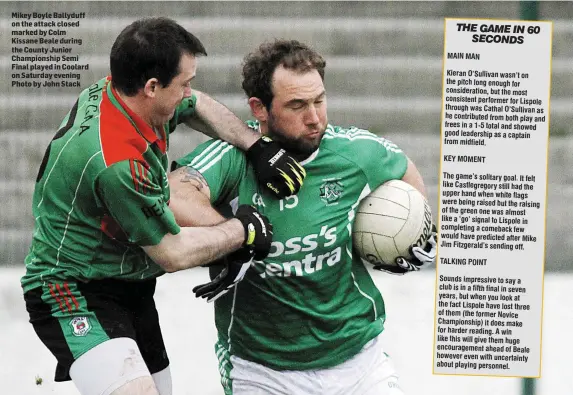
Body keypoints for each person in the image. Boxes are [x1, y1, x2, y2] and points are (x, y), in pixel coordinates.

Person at [21, 18, 306, 395]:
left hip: (128, 282)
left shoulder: (123, 96)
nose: (190, 91)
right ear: (152, 87)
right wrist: (241, 230)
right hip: (71, 288)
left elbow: (196, 105)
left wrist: (255, 145)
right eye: (184, 83)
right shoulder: (119, 163)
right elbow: (172, 252)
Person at [170, 39, 438, 395]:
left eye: (319, 101)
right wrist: (233, 234)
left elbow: (407, 177)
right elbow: (174, 194)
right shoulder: (231, 158)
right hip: (261, 370)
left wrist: (407, 236)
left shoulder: (354, 151)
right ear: (260, 108)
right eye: (297, 105)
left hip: (358, 358)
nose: (314, 118)